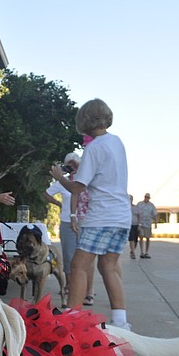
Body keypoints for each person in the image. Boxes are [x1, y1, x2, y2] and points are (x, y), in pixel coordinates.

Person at [51, 98, 131, 329]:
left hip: (102, 215)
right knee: (108, 266)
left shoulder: (94, 147)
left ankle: (71, 319)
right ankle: (120, 321)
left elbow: (78, 187)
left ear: (84, 120)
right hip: (121, 215)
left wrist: (59, 177)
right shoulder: (117, 142)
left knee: (79, 265)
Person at [44, 152, 95, 304]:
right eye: (69, 165)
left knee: (88, 259)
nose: (73, 168)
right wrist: (59, 204)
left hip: (87, 221)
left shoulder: (87, 180)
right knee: (69, 258)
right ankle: (70, 289)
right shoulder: (63, 182)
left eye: (75, 164)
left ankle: (89, 291)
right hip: (67, 221)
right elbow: (46, 194)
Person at [137, 192, 158, 258]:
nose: (147, 198)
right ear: (144, 197)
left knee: (148, 238)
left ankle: (146, 252)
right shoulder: (140, 204)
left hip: (148, 224)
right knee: (141, 237)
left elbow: (155, 214)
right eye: (146, 197)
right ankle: (142, 252)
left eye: (148, 197)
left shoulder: (151, 205)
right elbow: (136, 213)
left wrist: (155, 223)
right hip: (141, 223)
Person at [128, 194, 140, 259]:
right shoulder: (125, 207)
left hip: (136, 224)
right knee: (131, 239)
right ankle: (133, 253)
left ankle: (132, 250)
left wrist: (139, 224)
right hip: (129, 225)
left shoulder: (136, 207)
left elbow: (139, 216)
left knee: (135, 240)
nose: (130, 200)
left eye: (131, 199)